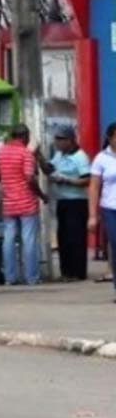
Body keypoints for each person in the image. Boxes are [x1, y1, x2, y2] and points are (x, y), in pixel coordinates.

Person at [0, 124, 47, 286]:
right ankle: (32, 277)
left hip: (9, 203)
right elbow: (30, 178)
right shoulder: (26, 154)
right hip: (26, 203)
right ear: (25, 136)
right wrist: (41, 195)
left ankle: (10, 278)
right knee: (28, 239)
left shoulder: (1, 153)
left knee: (9, 239)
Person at [36, 126, 90, 281]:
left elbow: (87, 179)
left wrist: (67, 180)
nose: (57, 143)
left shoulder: (80, 157)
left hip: (77, 202)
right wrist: (39, 156)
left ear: (70, 140)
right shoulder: (59, 155)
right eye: (56, 139)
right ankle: (66, 271)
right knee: (63, 237)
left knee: (76, 237)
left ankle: (78, 272)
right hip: (62, 201)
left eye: (60, 140)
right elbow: (48, 169)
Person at [88, 122, 116, 301]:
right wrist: (92, 215)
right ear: (110, 138)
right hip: (110, 208)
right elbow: (94, 187)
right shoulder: (101, 159)